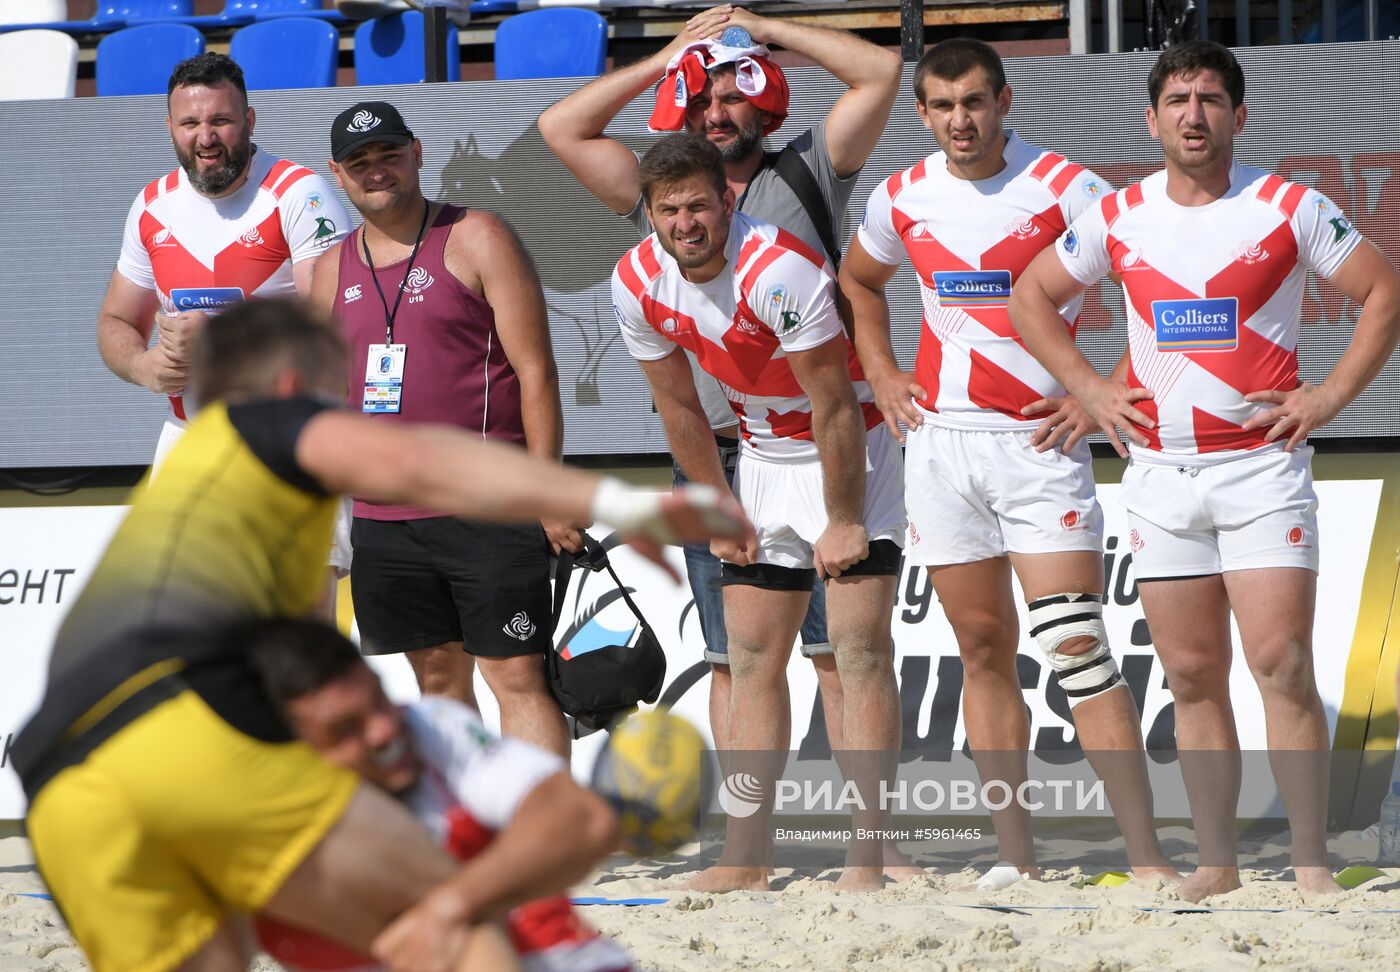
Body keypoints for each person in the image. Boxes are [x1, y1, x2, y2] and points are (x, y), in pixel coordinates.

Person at [11, 299, 750, 972]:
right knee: (451, 929)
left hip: (57, 783)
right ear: (299, 381)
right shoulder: (266, 423)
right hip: (177, 719)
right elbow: (417, 462)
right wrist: (613, 499)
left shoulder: (186, 498)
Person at [1009, 40, 1400, 903]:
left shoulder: (1288, 205)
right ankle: (1217, 864)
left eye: (1211, 99)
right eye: (1178, 100)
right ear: (1151, 121)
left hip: (1261, 472)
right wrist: (1091, 389)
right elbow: (1029, 295)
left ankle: (1308, 864)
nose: (1194, 114)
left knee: (1281, 661)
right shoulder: (1118, 215)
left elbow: (1385, 293)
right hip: (1159, 474)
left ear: (1239, 116)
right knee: (1189, 673)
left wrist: (1329, 397)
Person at [539, 0, 902, 798]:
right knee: (734, 658)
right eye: (699, 98)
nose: (716, 111)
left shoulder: (807, 164)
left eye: (732, 94)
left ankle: (871, 842)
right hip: (715, 449)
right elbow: (560, 128)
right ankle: (750, 839)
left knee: (840, 656)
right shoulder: (664, 192)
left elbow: (880, 71)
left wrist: (766, 32)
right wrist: (672, 52)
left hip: (821, 441)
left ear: (764, 96)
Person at [839, 38, 1178, 889]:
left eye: (977, 103)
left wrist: (1098, 391)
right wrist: (880, 371)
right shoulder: (900, 196)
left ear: (1005, 100)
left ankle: (1145, 860)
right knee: (982, 650)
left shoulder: (1069, 188)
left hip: (1037, 445)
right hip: (942, 447)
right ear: (922, 113)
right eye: (945, 107)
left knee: (1075, 645)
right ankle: (1015, 859)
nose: (962, 121)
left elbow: (1161, 284)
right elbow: (860, 281)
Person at [611, 134, 905, 892]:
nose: (685, 223)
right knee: (749, 661)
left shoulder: (780, 270)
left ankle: (869, 856)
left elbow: (834, 403)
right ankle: (747, 858)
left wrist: (841, 520)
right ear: (648, 213)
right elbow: (678, 409)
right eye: (668, 210)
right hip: (762, 454)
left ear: (728, 201)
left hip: (848, 451)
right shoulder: (637, 278)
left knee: (857, 650)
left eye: (699, 205)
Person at [313, 100, 576, 756]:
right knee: (435, 676)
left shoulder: (478, 235)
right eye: (359, 162)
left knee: (517, 673)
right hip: (384, 518)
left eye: (388, 155)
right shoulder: (328, 269)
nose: (376, 171)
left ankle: (544, 842)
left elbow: (536, 371)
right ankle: (470, 838)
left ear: (418, 153)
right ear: (337, 175)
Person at [245, 618, 636, 972]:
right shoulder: (244, 822)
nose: (383, 730)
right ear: (287, 750)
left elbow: (584, 822)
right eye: (346, 727)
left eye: (380, 699)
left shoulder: (429, 724)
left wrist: (449, 906)